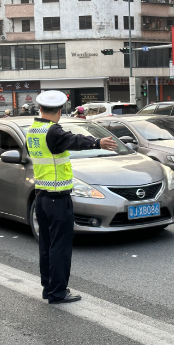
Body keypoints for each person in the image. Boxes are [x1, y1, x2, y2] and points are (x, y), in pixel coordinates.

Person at [26, 90, 117, 304]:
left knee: (47, 246)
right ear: (59, 111)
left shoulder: (33, 130)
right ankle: (58, 292)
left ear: (40, 109)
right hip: (58, 198)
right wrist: (97, 143)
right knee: (60, 247)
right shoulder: (53, 132)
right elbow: (73, 140)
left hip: (41, 196)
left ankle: (49, 288)